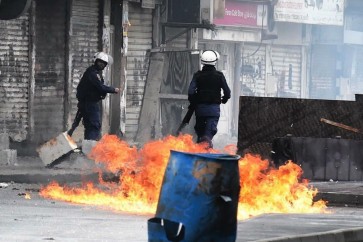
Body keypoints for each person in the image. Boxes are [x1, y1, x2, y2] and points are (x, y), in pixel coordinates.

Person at [70, 52, 119, 141]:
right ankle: (91, 148)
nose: (101, 64)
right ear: (96, 61)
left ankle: (88, 147)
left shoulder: (97, 73)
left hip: (90, 103)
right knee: (94, 125)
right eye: (100, 62)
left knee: (90, 126)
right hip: (89, 104)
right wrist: (113, 90)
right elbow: (100, 87)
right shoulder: (92, 73)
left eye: (104, 63)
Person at [187, 50, 231, 148]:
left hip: (200, 110)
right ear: (215, 61)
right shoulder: (219, 76)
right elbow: (227, 92)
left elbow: (190, 91)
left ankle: (198, 153)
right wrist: (224, 100)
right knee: (208, 135)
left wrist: (193, 101)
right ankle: (207, 151)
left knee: (200, 134)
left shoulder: (197, 75)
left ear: (202, 62)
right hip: (213, 110)